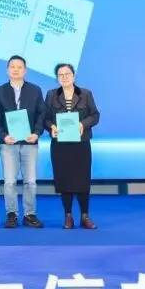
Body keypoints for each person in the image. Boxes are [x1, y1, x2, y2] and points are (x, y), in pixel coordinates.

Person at [0, 55, 46, 229]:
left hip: (30, 143)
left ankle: (30, 214)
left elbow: (42, 114)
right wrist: (3, 136)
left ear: (25, 70)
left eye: (19, 67)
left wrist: (36, 133)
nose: (15, 70)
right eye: (12, 67)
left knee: (30, 181)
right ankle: (12, 214)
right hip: (8, 143)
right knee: (9, 182)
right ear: (7, 70)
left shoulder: (35, 90)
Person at [45, 63, 99, 229]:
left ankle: (84, 216)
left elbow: (95, 115)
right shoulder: (51, 94)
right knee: (64, 180)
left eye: (67, 74)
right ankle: (68, 216)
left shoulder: (86, 93)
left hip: (81, 144)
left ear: (74, 76)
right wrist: (51, 127)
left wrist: (83, 124)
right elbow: (45, 118)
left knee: (82, 180)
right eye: (60, 75)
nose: (64, 77)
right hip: (60, 145)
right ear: (57, 78)